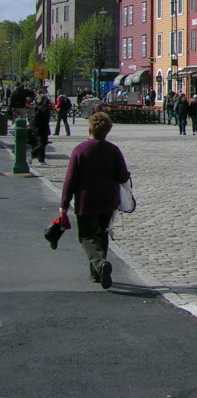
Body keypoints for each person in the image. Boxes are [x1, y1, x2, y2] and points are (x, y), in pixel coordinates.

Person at [59, 112, 130, 289]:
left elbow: (70, 180)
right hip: (108, 200)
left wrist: (63, 205)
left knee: (86, 236)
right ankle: (97, 274)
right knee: (102, 234)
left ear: (89, 128)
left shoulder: (80, 150)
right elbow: (122, 176)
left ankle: (100, 264)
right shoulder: (113, 150)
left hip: (87, 200)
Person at [32, 90, 51, 164]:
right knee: (41, 143)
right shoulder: (39, 108)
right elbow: (35, 119)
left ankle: (41, 159)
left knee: (44, 143)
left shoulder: (44, 108)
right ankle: (32, 154)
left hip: (43, 126)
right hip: (39, 127)